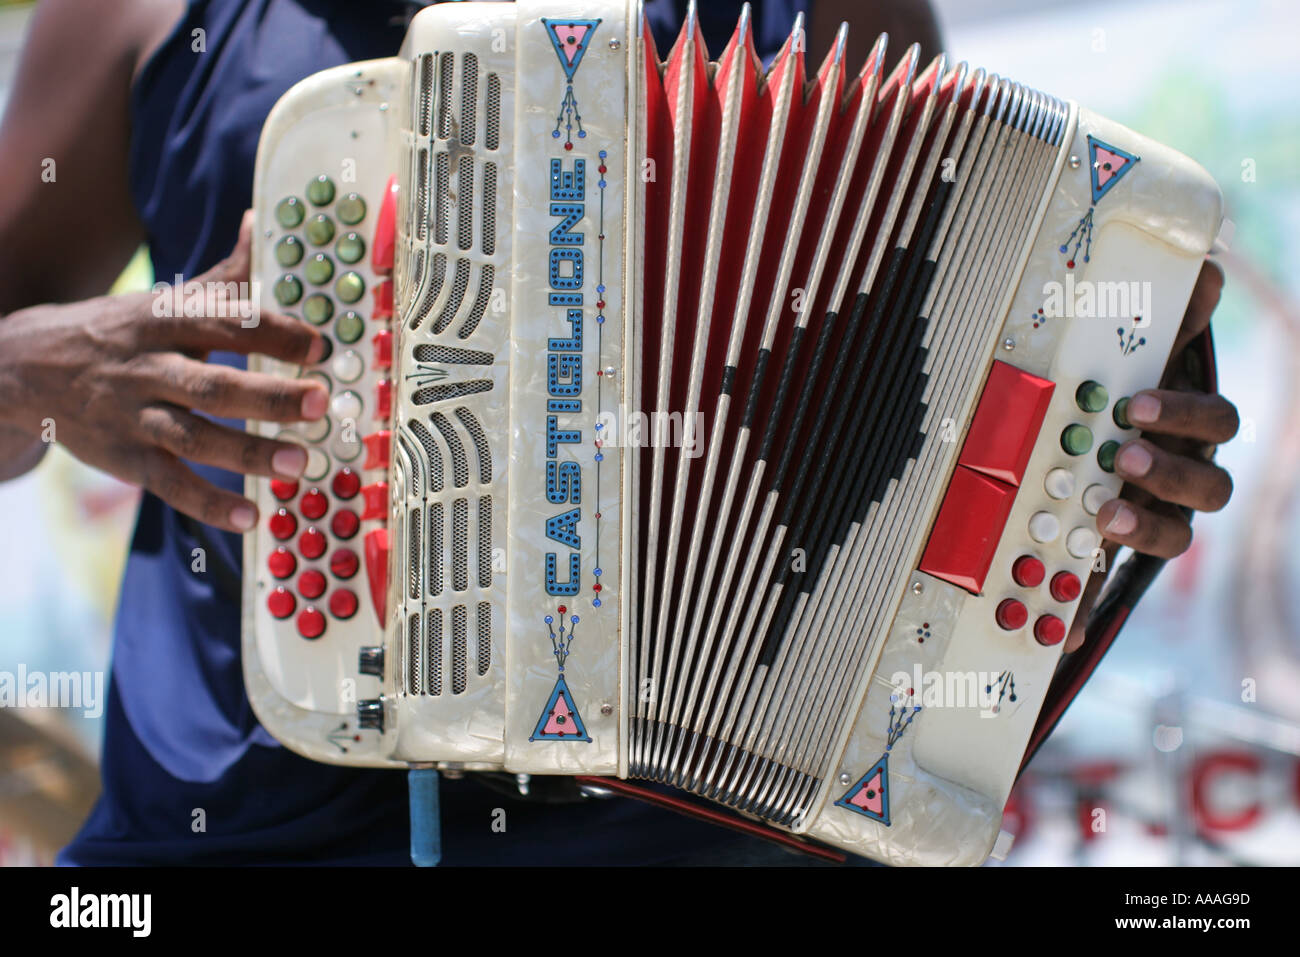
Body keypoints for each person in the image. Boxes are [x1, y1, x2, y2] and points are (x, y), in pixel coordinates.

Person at [0, 0, 1237, 865]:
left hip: (683, 835)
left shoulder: (806, 1)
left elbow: (960, 363)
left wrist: (1097, 481)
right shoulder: (140, 10)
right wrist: (41, 370)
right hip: (230, 825)